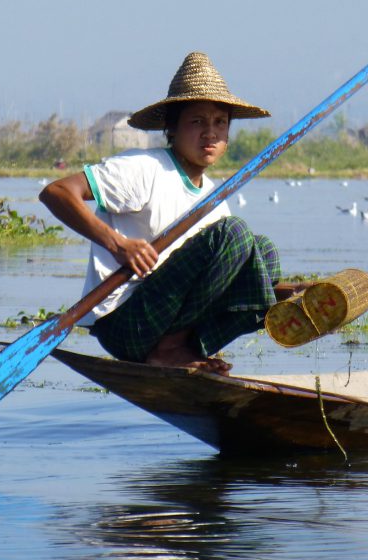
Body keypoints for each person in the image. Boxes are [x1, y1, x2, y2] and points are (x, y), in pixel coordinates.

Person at [40, 52, 298, 373]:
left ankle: (185, 347)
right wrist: (117, 244)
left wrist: (293, 295)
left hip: (165, 318)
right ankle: (170, 349)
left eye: (220, 123)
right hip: (125, 322)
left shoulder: (213, 196)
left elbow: (222, 282)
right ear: (172, 128)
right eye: (197, 122)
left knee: (263, 252)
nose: (210, 133)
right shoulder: (144, 169)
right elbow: (57, 192)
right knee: (234, 233)